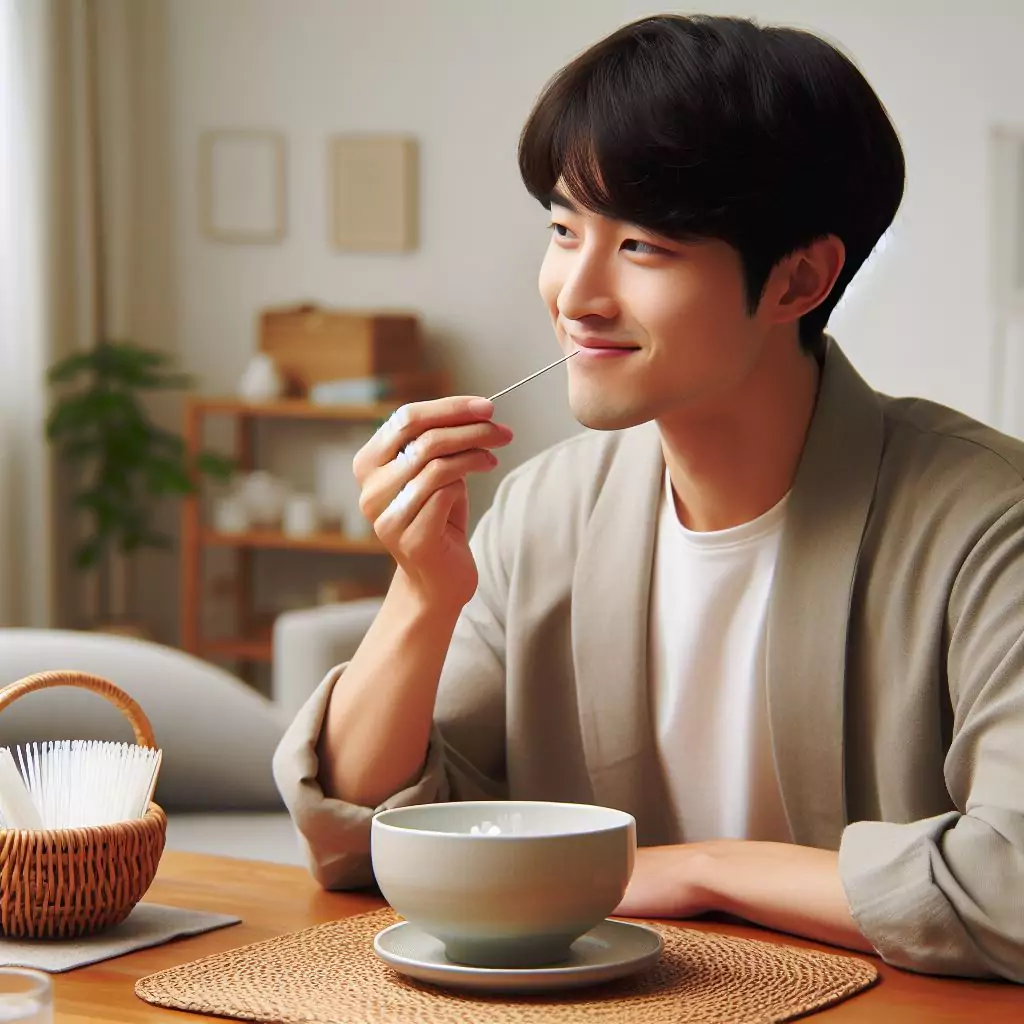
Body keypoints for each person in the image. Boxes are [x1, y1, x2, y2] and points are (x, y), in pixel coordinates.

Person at [273, 14, 1024, 981]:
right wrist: (423, 594)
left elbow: (1011, 885)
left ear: (800, 277)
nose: (574, 293)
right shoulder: (544, 513)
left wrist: (703, 871)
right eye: (563, 229)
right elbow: (368, 844)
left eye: (643, 247)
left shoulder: (987, 524)